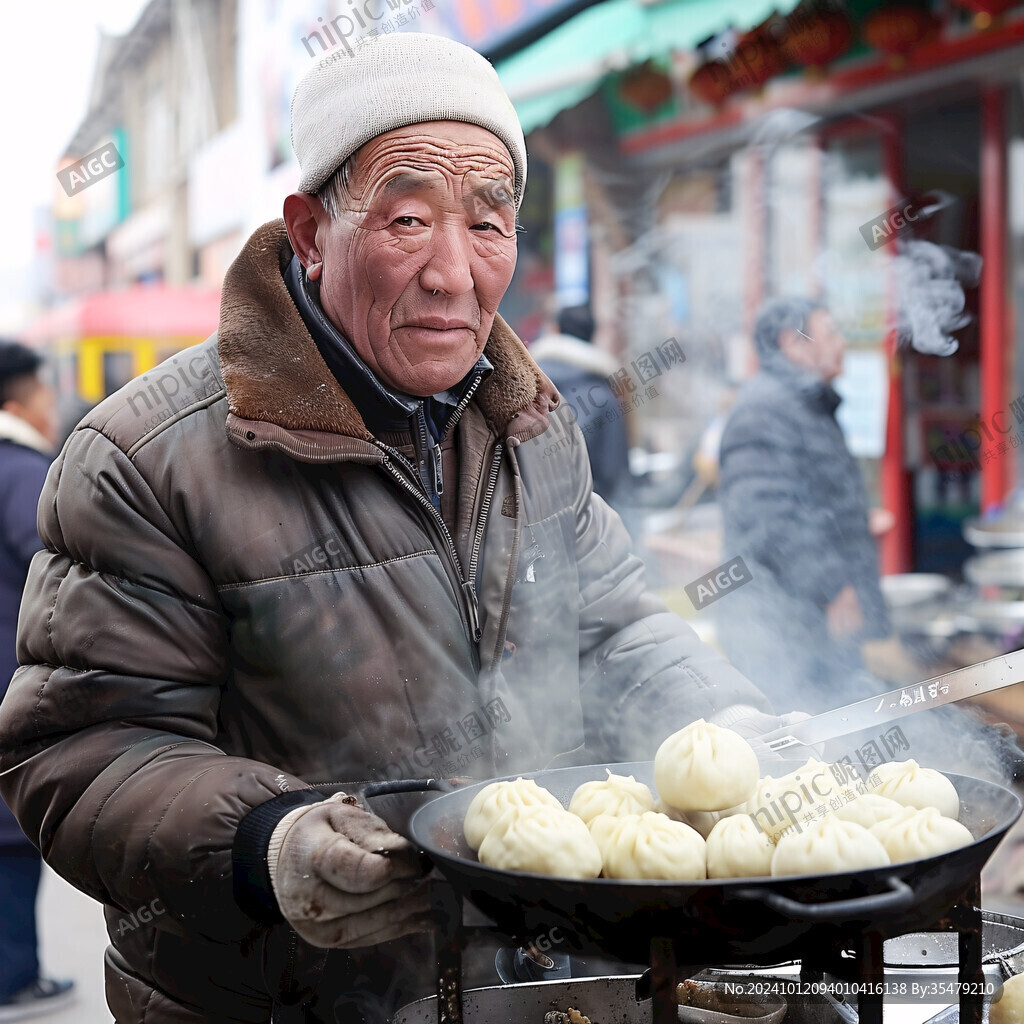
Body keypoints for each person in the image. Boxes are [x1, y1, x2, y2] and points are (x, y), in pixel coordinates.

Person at [0, 35, 797, 1024]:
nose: (453, 273)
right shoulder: (145, 458)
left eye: (490, 222)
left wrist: (728, 726)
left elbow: (617, 628)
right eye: (409, 218)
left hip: (529, 987)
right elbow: (79, 751)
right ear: (309, 231)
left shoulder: (530, 424)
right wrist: (272, 843)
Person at [715, 298, 890, 712]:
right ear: (792, 343)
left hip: (813, 622)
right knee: (804, 745)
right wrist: (831, 584)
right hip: (784, 626)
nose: (841, 343)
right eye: (830, 332)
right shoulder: (764, 411)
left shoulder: (804, 403)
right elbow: (768, 519)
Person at [0, 341, 74, 1020]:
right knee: (12, 841)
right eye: (48, 398)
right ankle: (15, 975)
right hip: (6, 680)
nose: (55, 411)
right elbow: (49, 576)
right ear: (19, 404)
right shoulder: (23, 472)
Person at [530, 304, 631, 509]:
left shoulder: (526, 385)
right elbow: (614, 475)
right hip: (586, 521)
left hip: (527, 520)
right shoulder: (605, 396)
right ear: (593, 337)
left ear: (555, 330)